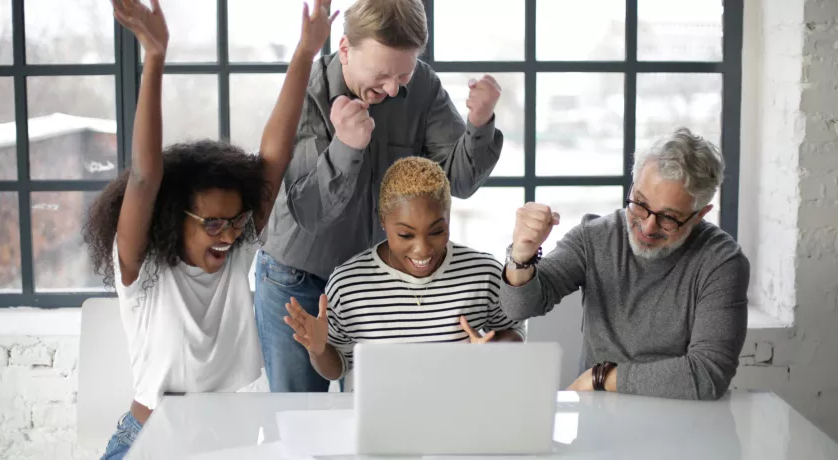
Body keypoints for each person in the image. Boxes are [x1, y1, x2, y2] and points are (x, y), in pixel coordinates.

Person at [82, 0, 337, 458]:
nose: (229, 234)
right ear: (174, 217)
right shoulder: (144, 273)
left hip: (229, 444)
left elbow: (272, 159)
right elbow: (144, 176)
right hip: (148, 443)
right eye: (213, 223)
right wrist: (154, 58)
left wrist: (305, 52)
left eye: (237, 221)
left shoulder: (236, 251)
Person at [255, 0, 505, 392]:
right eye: (381, 74)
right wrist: (347, 147)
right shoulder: (308, 92)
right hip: (300, 278)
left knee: (379, 409)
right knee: (299, 417)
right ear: (344, 50)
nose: (392, 89)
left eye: (402, 74)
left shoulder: (421, 86)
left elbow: (459, 181)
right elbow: (310, 212)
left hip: (374, 283)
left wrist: (480, 124)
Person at [499, 128, 749, 401]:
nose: (647, 226)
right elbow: (519, 306)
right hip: (598, 424)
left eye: (668, 217)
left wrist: (601, 377)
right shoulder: (594, 236)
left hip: (681, 419)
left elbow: (708, 374)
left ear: (700, 214)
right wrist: (521, 254)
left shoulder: (721, 262)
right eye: (640, 203)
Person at [280, 157, 524, 390]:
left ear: (449, 218)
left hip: (460, 414)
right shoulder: (348, 284)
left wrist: (493, 350)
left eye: (437, 231)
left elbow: (514, 333)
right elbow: (338, 368)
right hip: (381, 419)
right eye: (406, 235)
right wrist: (319, 350)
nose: (423, 249)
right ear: (383, 221)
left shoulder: (483, 272)